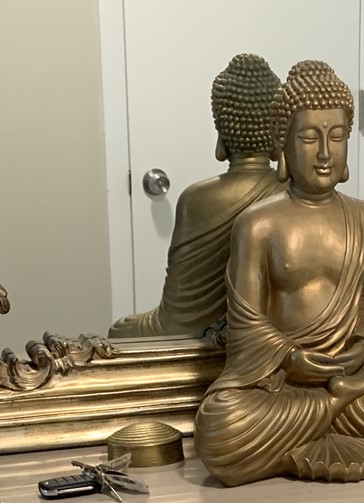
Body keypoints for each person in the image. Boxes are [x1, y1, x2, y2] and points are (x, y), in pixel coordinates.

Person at [193, 58, 364, 485]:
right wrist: (291, 358)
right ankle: (337, 407)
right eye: (309, 137)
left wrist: (358, 354)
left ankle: (329, 412)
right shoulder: (257, 225)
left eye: (337, 136)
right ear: (283, 145)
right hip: (285, 384)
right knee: (221, 428)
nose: (325, 153)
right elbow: (246, 325)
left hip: (352, 375)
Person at [108, 54, 284, 340]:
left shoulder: (196, 199)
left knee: (120, 329)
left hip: (198, 332)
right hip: (269, 335)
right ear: (278, 135)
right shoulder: (290, 194)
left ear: (222, 135)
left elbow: (175, 316)